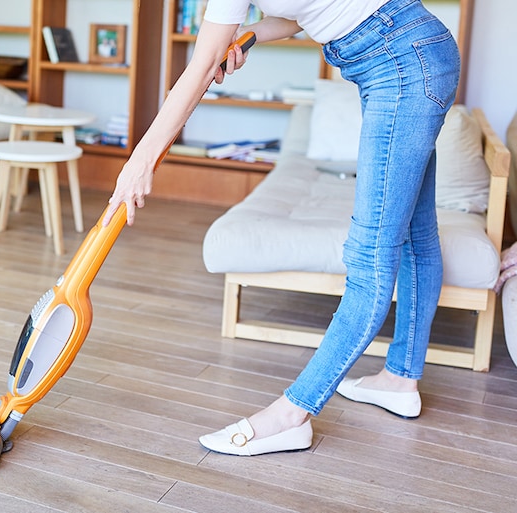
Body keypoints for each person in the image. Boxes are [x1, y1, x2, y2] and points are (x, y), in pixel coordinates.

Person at [103, 0, 460, 456]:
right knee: (418, 233)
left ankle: (293, 415)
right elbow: (306, 13)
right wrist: (247, 35)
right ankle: (400, 379)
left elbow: (198, 71)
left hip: (402, 63)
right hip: (414, 50)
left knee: (370, 256)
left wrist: (140, 160)